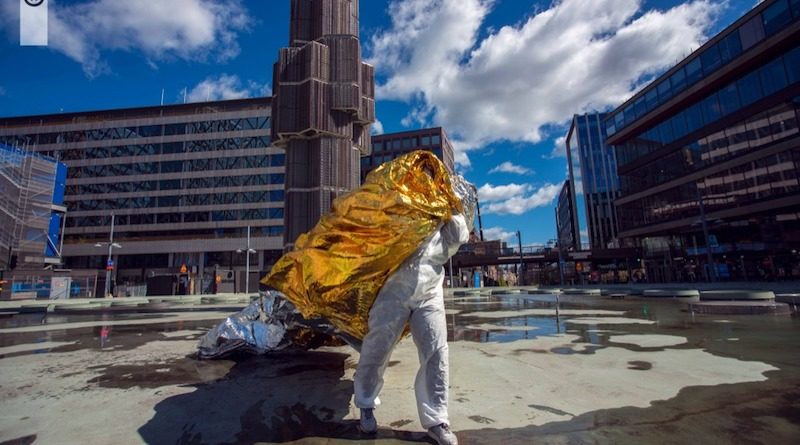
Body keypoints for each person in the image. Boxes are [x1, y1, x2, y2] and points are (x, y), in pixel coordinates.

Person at [354, 212, 469, 445]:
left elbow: (457, 238)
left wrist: (452, 210)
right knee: (377, 348)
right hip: (392, 290)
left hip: (429, 290)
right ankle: (365, 404)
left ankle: (437, 420)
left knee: (436, 352)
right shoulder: (393, 198)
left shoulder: (440, 198)